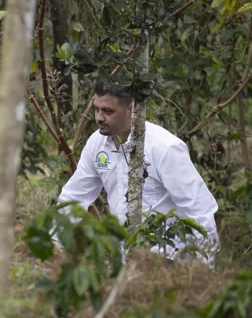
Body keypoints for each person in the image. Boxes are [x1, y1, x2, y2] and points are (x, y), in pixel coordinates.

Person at [56, 81, 219, 264]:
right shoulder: (97, 144)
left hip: (169, 259)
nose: (99, 118)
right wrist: (53, 249)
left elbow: (200, 209)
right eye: (96, 110)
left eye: (108, 111)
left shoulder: (164, 147)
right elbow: (74, 196)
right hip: (126, 258)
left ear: (131, 110)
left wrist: (204, 271)